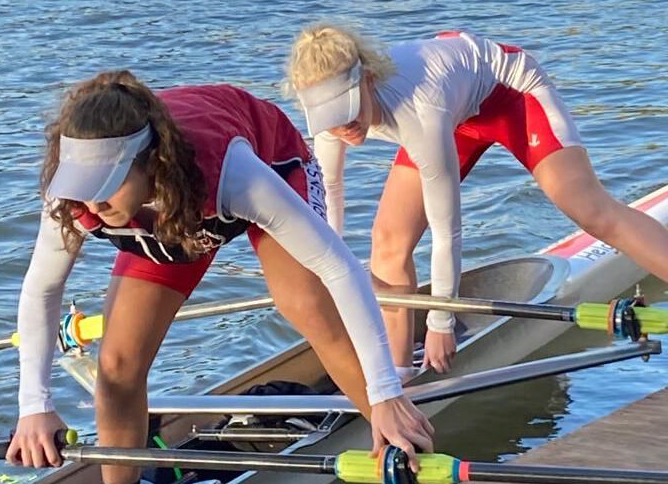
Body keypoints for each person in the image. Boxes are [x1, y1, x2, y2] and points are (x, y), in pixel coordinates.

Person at [5, 70, 434, 484]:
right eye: (85, 183)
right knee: (116, 368)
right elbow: (42, 290)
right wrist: (34, 408)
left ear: (150, 161)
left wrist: (385, 392)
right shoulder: (72, 195)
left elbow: (338, 267)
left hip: (269, 161)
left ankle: (399, 433)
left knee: (306, 305)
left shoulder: (233, 172)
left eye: (107, 182)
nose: (93, 202)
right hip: (175, 216)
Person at [286, 24, 668, 378]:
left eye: (349, 109)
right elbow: (330, 195)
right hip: (453, 107)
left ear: (367, 80)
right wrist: (333, 272)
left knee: (591, 212)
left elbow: (446, 229)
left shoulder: (420, 111)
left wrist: (441, 321)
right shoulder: (332, 122)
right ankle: (398, 379)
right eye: (331, 118)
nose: (343, 126)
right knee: (388, 243)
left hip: (508, 93)